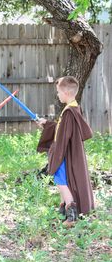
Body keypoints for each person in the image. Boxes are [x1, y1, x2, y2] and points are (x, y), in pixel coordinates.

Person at [37, 76, 94, 227]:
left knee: (60, 181)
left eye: (58, 92)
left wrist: (55, 154)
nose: (58, 95)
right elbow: (62, 130)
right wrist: (48, 124)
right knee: (61, 180)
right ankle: (63, 211)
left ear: (66, 93)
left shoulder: (69, 112)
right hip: (67, 152)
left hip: (64, 153)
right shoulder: (73, 108)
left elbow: (63, 136)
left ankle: (72, 214)